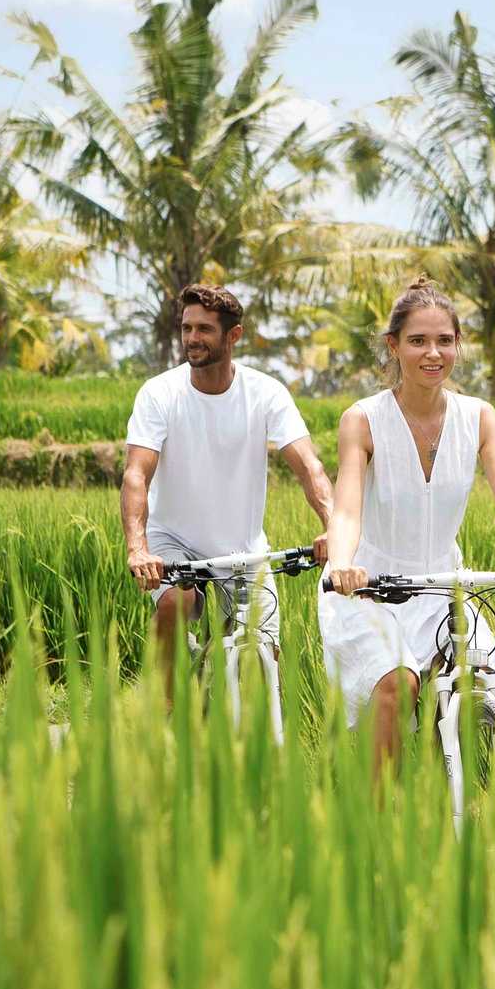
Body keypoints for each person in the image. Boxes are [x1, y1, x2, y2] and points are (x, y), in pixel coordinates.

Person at [320, 276, 495, 766]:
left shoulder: (478, 417)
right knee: (398, 685)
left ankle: (456, 792)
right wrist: (341, 564)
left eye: (445, 340)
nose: (432, 353)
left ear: (458, 345)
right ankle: (377, 826)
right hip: (370, 587)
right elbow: (348, 508)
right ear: (393, 346)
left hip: (442, 584)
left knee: (475, 678)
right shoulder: (363, 420)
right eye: (418, 340)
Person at [122, 283, 334, 690]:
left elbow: (309, 466)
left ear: (232, 335)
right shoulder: (160, 393)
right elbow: (136, 474)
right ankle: (164, 705)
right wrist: (138, 548)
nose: (191, 339)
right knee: (176, 600)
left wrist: (333, 523)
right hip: (172, 540)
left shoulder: (266, 393)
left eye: (203, 329)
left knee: (265, 659)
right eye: (186, 328)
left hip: (243, 548)